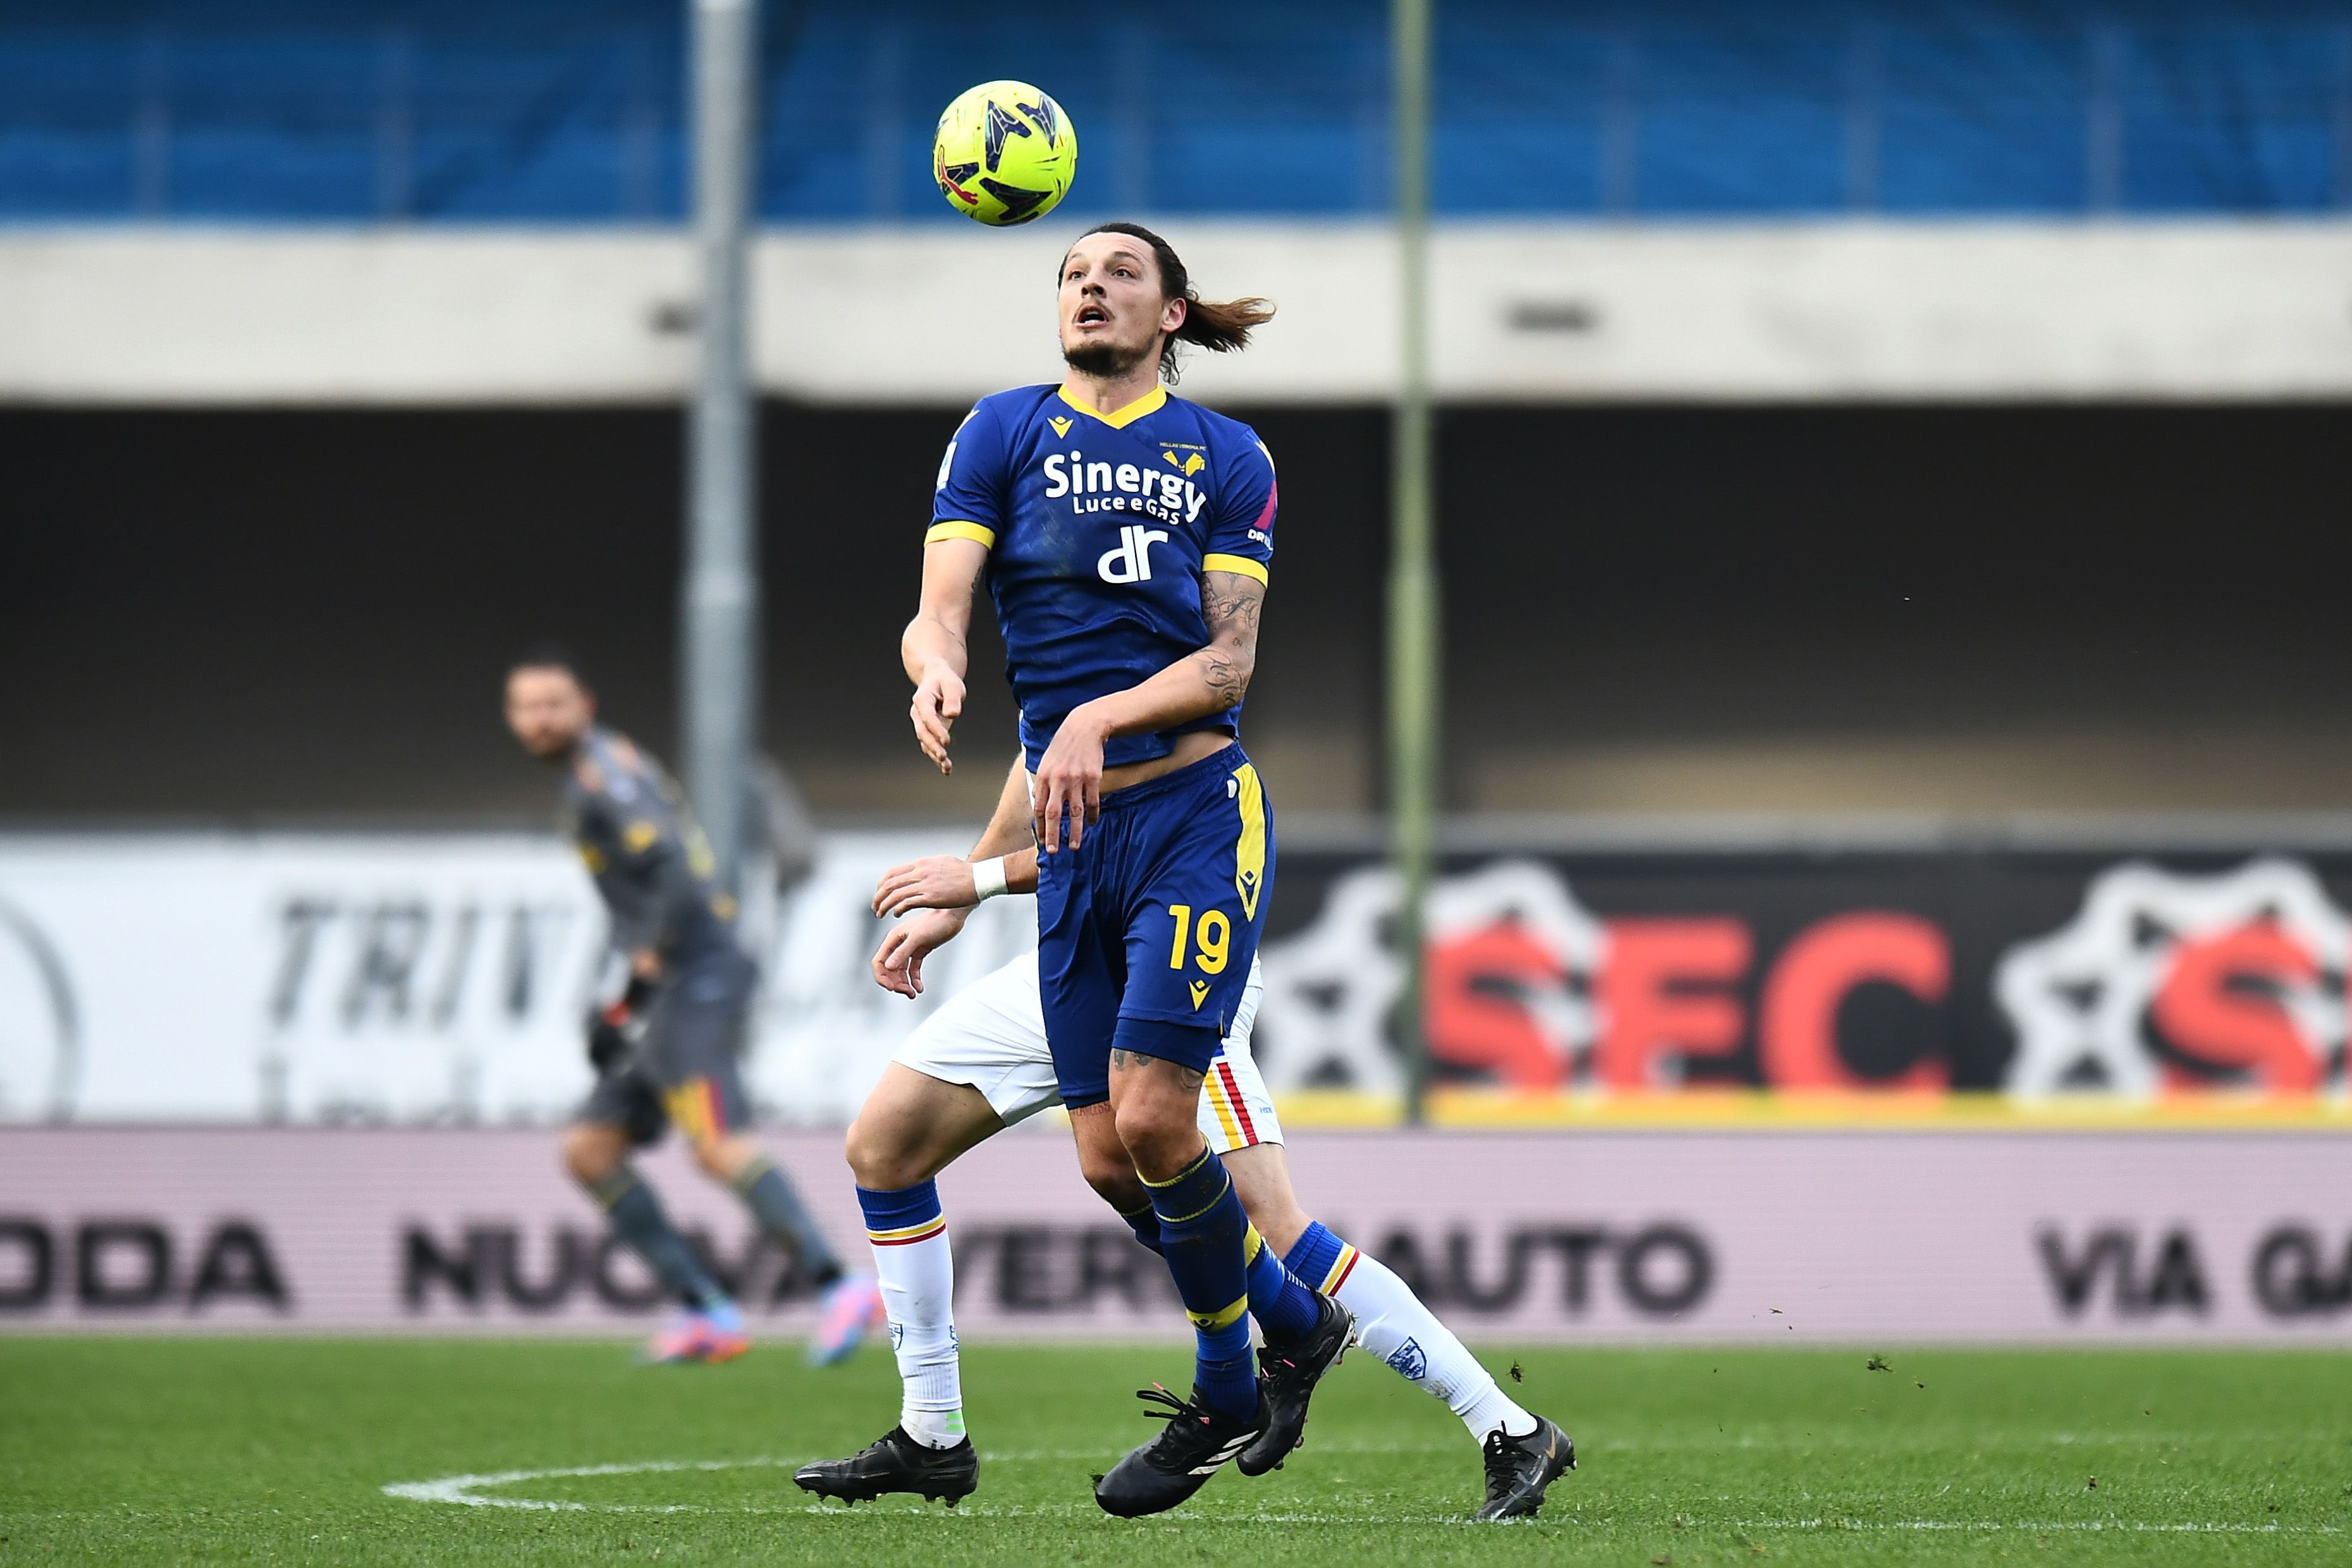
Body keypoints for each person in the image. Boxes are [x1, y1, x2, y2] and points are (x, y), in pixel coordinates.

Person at [862, 219, 1357, 1518]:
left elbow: (1230, 662)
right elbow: (941, 597)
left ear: (1176, 313)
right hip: (1075, 840)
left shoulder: (1226, 456)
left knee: (1153, 1120)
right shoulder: (1002, 430)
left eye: (1119, 273)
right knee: (1102, 1157)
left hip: (1192, 807)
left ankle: (1229, 1381)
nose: (1088, 288)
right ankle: (1293, 1328)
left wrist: (1090, 715)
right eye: (1072, 274)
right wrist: (939, 657)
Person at [790, 756, 1576, 1521]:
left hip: (1177, 957)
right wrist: (964, 891)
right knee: (884, 1147)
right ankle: (932, 1429)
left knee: (1275, 1226)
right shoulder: (1046, 655)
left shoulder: (1156, 659)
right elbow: (1037, 764)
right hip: (1070, 964)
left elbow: (1136, 835)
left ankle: (1506, 1425)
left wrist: (981, 881)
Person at [502, 651, 883, 1364]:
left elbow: (674, 872)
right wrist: (632, 997)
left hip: (696, 977)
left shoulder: (604, 780)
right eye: (525, 706)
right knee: (590, 1149)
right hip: (670, 985)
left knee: (714, 1142)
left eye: (552, 703)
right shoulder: (597, 770)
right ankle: (707, 1310)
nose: (539, 719)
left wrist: (641, 976)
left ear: (583, 702)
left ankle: (841, 1286)